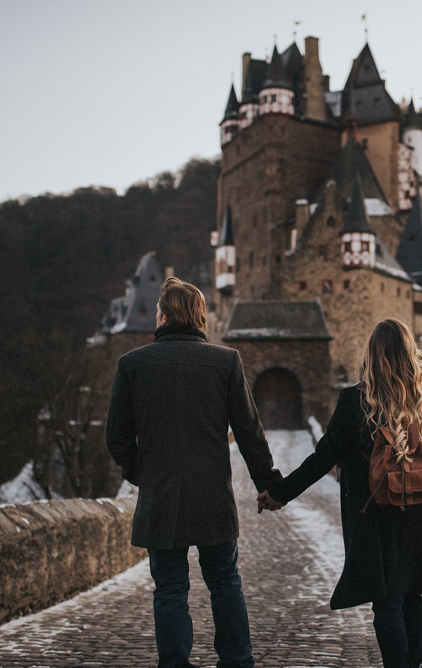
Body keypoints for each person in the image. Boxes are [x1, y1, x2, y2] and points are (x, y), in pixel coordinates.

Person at [258, 318, 422, 668]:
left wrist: (281, 492)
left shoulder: (355, 402)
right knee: (412, 599)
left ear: (372, 355)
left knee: (387, 602)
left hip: (374, 516)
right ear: (411, 354)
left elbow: (323, 457)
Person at [106, 276, 282, 668]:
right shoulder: (225, 362)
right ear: (199, 317)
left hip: (161, 495)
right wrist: (269, 485)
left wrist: (142, 473)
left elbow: (116, 436)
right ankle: (236, 661)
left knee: (169, 589)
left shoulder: (133, 364)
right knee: (224, 583)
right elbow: (250, 432)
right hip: (212, 498)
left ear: (165, 315)